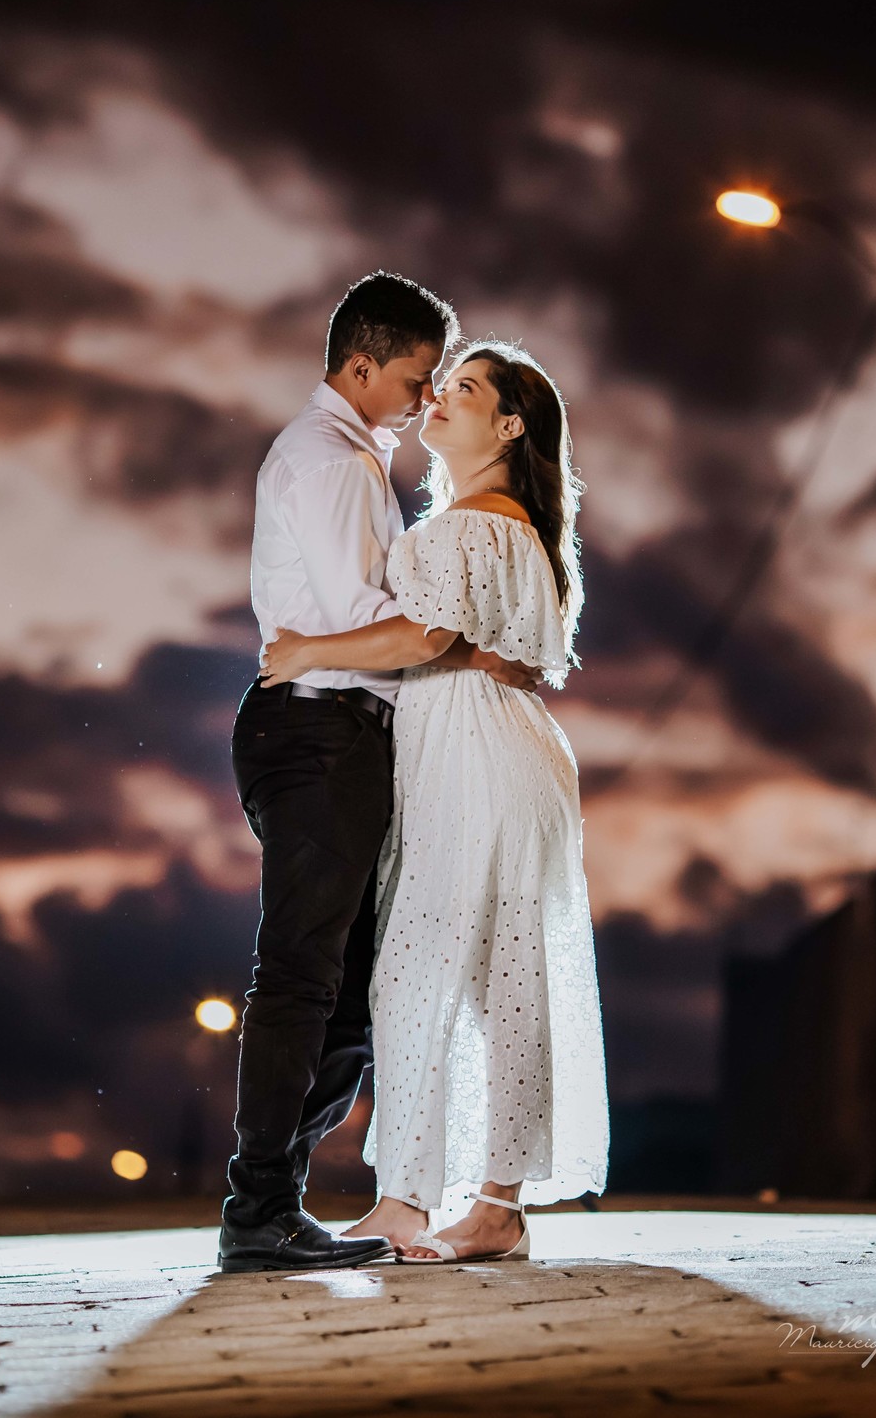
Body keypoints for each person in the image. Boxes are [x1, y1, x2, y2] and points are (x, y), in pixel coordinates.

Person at [261, 342, 609, 1263]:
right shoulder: (504, 525)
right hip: (488, 754)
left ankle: (445, 1204)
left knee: (434, 977)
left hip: (478, 760)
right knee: (491, 984)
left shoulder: (475, 525)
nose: (439, 399)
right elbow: (469, 644)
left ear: (510, 426)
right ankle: (459, 1204)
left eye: (466, 390)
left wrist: (306, 652)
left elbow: (426, 636)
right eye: (442, 385)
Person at [218, 276, 538, 1276]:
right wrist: (465, 648)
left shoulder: (353, 460)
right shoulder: (333, 460)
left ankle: (275, 1203)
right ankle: (259, 1208)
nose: (424, 396)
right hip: (319, 728)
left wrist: (461, 649)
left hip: (339, 732)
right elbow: (370, 622)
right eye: (414, 377)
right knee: (306, 976)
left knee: (349, 988)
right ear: (361, 366)